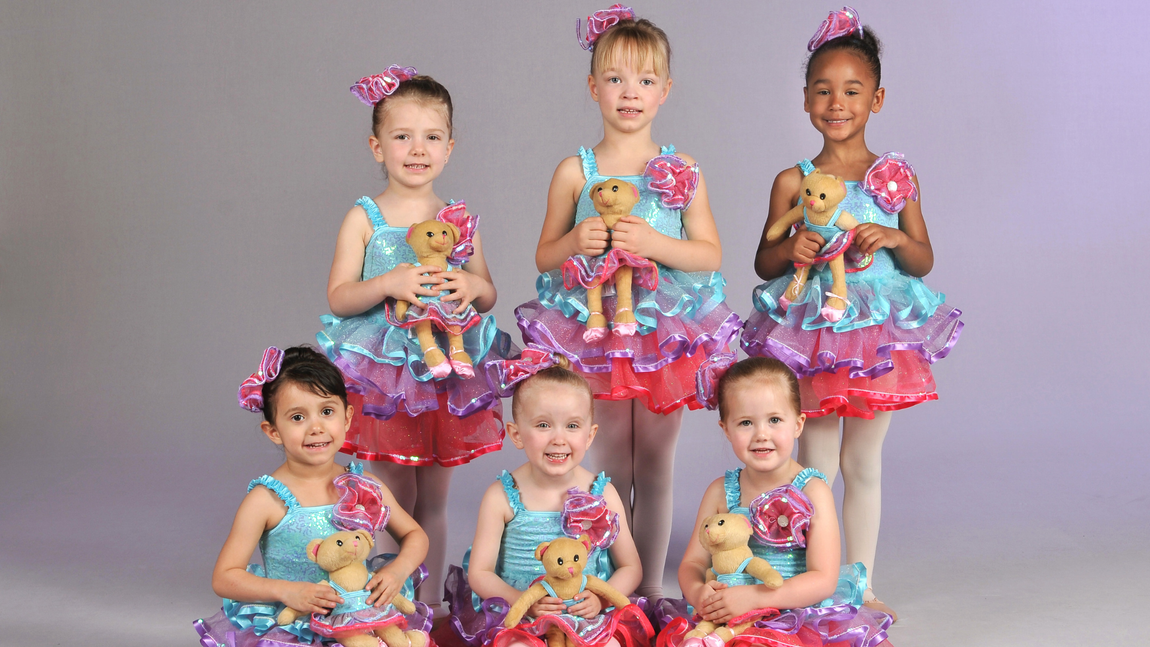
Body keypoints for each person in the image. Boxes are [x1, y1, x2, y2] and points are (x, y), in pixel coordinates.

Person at [740, 6, 963, 621]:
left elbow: (922, 258)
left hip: (874, 338)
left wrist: (891, 239)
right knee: (814, 463)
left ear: (877, 99)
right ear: (806, 99)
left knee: (863, 462)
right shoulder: (793, 179)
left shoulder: (894, 178)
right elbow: (764, 260)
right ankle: (805, 576)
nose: (837, 103)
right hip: (812, 333)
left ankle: (858, 581)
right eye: (823, 90)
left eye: (852, 91)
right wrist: (794, 248)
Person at [515, 5, 741, 598]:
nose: (629, 93)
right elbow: (544, 254)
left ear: (666, 91)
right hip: (596, 329)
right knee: (613, 454)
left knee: (656, 460)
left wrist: (656, 242)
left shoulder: (681, 168)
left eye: (644, 81)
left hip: (663, 329)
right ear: (594, 88)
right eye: (615, 79)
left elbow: (709, 252)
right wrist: (574, 242)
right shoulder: (575, 170)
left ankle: (649, 593)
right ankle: (614, 582)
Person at [317, 66, 517, 612]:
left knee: (434, 498)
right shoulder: (366, 217)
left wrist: (471, 283)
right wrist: (389, 282)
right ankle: (384, 606)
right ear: (376, 146)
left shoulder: (458, 220)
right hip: (385, 378)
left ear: (449, 148)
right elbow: (339, 296)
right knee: (389, 498)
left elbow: (490, 292)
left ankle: (428, 611)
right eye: (401, 136)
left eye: (431, 137)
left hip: (445, 374)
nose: (417, 149)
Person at [195, 346, 431, 646]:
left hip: (357, 619)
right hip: (296, 626)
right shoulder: (266, 500)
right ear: (273, 431)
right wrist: (287, 591)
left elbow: (415, 535)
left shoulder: (365, 484)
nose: (316, 427)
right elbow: (225, 577)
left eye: (327, 412)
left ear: (347, 418)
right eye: (297, 417)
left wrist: (398, 571)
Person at [665, 357, 890, 647]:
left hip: (795, 612)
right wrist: (699, 593)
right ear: (726, 429)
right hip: (729, 612)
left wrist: (755, 597)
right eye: (746, 422)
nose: (761, 434)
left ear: (798, 424)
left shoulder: (813, 491)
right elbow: (693, 562)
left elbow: (823, 578)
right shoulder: (720, 492)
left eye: (774, 420)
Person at [444, 350, 653, 647]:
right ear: (516, 435)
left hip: (586, 614)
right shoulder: (502, 495)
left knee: (610, 645)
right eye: (543, 425)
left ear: (590, 435)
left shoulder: (601, 492)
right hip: (523, 614)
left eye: (572, 426)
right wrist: (521, 603)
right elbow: (480, 572)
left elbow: (631, 566)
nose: (559, 438)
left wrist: (600, 598)